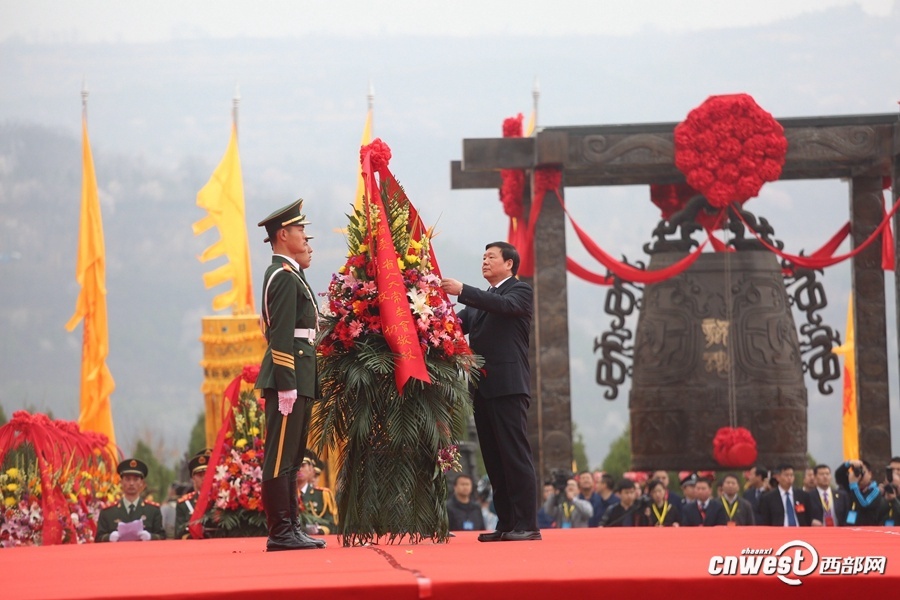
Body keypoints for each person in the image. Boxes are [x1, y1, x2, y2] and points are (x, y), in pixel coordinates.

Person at [441, 242, 540, 543]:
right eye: (483, 257)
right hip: (482, 389)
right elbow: (454, 326)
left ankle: (527, 525)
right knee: (495, 461)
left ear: (509, 263)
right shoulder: (480, 302)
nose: (484, 261)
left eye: (491, 257)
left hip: (509, 387)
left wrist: (463, 290)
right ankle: (507, 524)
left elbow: (503, 306)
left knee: (515, 456)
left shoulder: (519, 291)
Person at [255, 198, 325, 551]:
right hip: (290, 376)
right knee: (280, 455)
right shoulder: (282, 276)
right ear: (283, 235)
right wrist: (286, 384)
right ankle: (281, 531)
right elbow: (280, 335)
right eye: (299, 229)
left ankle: (292, 527)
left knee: (293, 456)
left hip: (300, 373)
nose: (304, 235)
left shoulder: (291, 274)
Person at [95, 458, 166, 542]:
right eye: (127, 479)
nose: (131, 483)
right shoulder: (108, 512)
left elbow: (162, 537)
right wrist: (109, 537)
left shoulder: (152, 511)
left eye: (136, 479)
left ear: (142, 483)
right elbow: (98, 539)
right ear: (121, 482)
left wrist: (150, 537)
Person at [174, 449, 213, 539]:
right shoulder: (185, 504)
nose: (204, 478)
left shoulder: (222, 500)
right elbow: (179, 535)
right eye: (200, 475)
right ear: (193, 478)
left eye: (207, 474)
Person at [297, 453, 338, 535]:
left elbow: (332, 524)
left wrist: (319, 530)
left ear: (311, 469)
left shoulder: (322, 495)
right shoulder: (284, 496)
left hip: (316, 538)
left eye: (303, 465)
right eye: (296, 466)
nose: (299, 469)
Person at [835, 459, 884, 526]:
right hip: (850, 527)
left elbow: (864, 504)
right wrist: (849, 463)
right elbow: (839, 476)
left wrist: (854, 485)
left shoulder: (875, 490)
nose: (859, 475)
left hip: (866, 528)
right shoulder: (852, 487)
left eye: (862, 472)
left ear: (870, 474)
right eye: (857, 471)